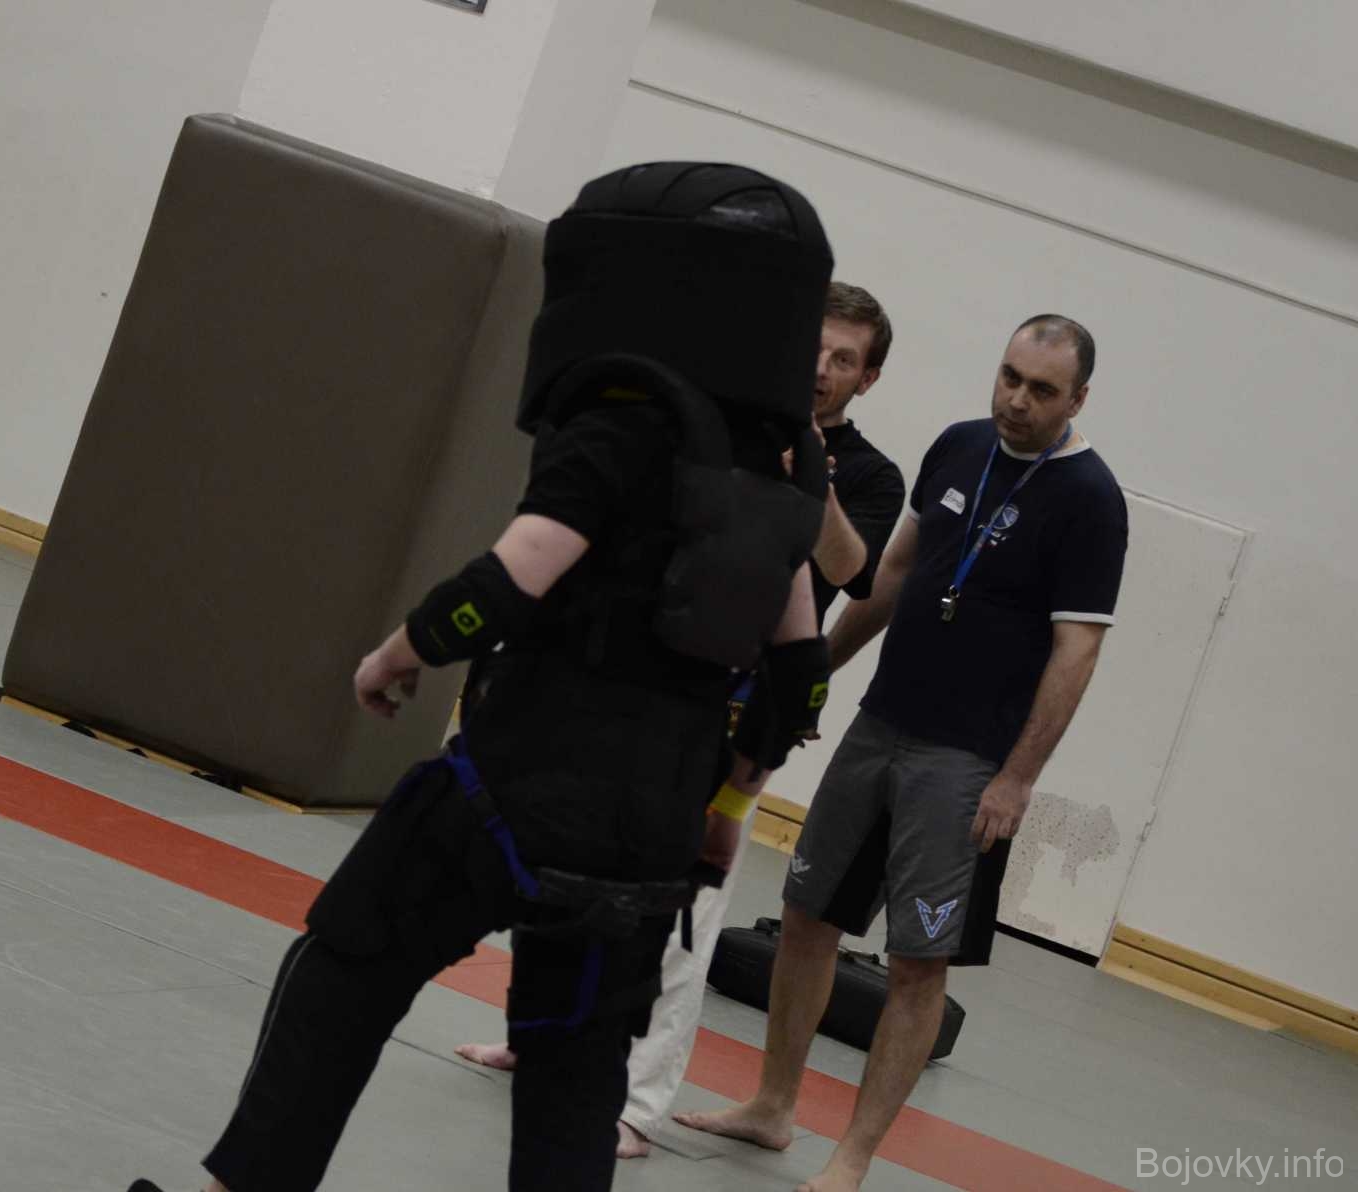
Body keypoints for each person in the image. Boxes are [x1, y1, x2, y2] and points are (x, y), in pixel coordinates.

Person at [123, 161, 842, 1192]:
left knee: (347, 966)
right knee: (574, 1064)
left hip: (519, 786)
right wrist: (726, 805)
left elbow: (508, 585)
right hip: (654, 832)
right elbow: (801, 676)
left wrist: (397, 654)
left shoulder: (625, 418)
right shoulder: (782, 471)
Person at [453, 282, 907, 1161]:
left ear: (868, 378)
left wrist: (812, 474)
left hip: (741, 711)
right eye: (814, 348)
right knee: (574, 859)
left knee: (686, 904)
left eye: (844, 359)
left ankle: (636, 1101)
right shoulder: (728, 418)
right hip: (648, 671)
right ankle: (541, 1038)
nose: (821, 369)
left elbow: (851, 571)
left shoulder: (872, 475)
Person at [675, 314, 1128, 1192]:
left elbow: (1077, 652)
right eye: (1009, 377)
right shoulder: (959, 446)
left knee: (917, 964)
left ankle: (852, 1157)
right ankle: (772, 1106)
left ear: (1077, 400)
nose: (1017, 400)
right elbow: (890, 577)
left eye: (1041, 390)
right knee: (806, 918)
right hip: (880, 725)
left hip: (968, 762)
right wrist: (812, 674)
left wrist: (1018, 778)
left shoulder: (1090, 499)